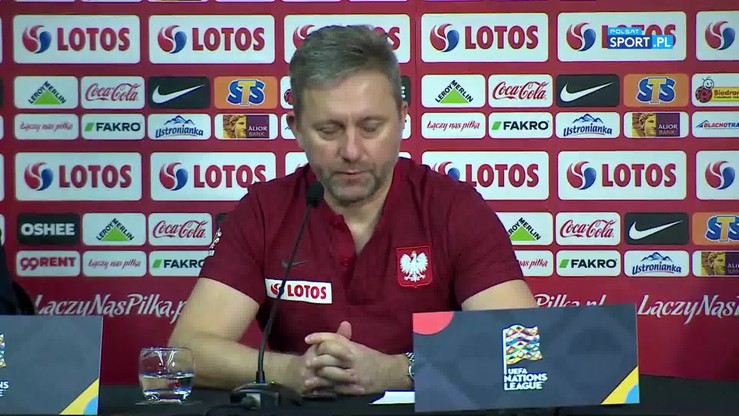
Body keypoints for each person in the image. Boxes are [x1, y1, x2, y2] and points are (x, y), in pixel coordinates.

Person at [168, 24, 537, 397]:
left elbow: (525, 345)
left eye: (370, 127)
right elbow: (184, 352)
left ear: (403, 118)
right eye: (329, 130)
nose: (351, 151)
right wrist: (290, 371)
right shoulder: (264, 211)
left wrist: (397, 370)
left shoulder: (453, 208)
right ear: (297, 129)